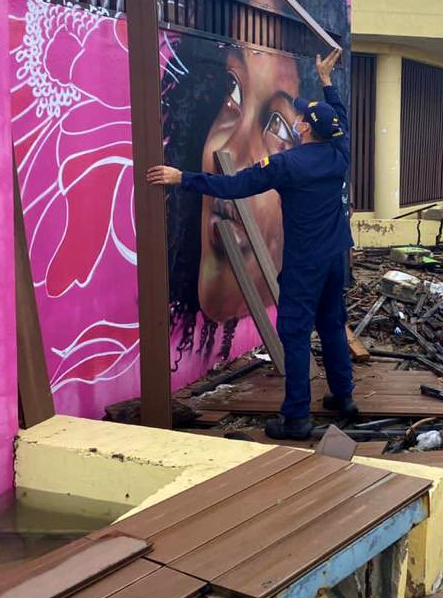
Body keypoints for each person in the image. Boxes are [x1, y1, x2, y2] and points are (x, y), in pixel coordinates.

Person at [148, 49, 355, 441]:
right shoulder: (338, 153)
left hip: (305, 263)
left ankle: (296, 418)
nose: (296, 120)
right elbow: (340, 119)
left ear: (304, 129)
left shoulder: (288, 165)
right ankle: (344, 397)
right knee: (332, 324)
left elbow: (234, 185)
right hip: (334, 258)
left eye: (296, 118)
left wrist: (182, 178)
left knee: (295, 335)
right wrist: (327, 82)